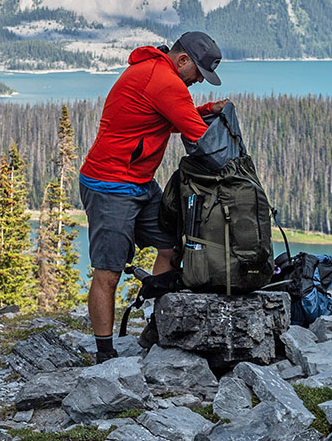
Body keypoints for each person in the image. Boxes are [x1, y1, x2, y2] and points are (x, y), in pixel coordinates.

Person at [79, 31, 228, 362]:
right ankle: (104, 355)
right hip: (110, 185)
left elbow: (169, 116)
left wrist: (205, 108)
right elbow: (200, 137)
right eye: (198, 74)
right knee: (108, 271)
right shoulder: (163, 80)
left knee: (171, 247)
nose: (199, 82)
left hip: (139, 182)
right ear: (183, 60)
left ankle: (157, 324)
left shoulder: (159, 75)